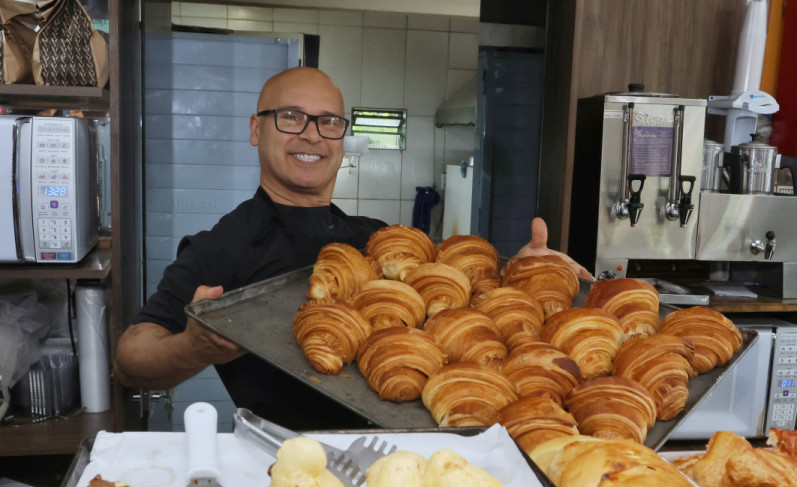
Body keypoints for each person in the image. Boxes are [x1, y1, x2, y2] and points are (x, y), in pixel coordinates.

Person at [113, 66, 592, 430]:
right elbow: (130, 359)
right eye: (290, 117)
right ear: (256, 130)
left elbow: (460, 303)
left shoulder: (379, 239)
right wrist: (192, 346)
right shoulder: (221, 247)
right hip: (286, 465)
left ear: (342, 139)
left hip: (402, 455)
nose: (311, 134)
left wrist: (522, 278)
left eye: (329, 122)